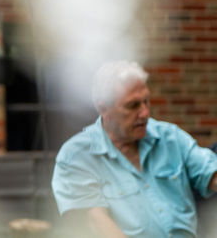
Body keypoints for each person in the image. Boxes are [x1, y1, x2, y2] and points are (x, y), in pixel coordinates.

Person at [52, 60, 217, 237]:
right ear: (103, 109)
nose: (145, 113)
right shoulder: (77, 156)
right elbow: (96, 222)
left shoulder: (170, 138)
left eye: (146, 101)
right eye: (133, 105)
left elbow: (212, 173)